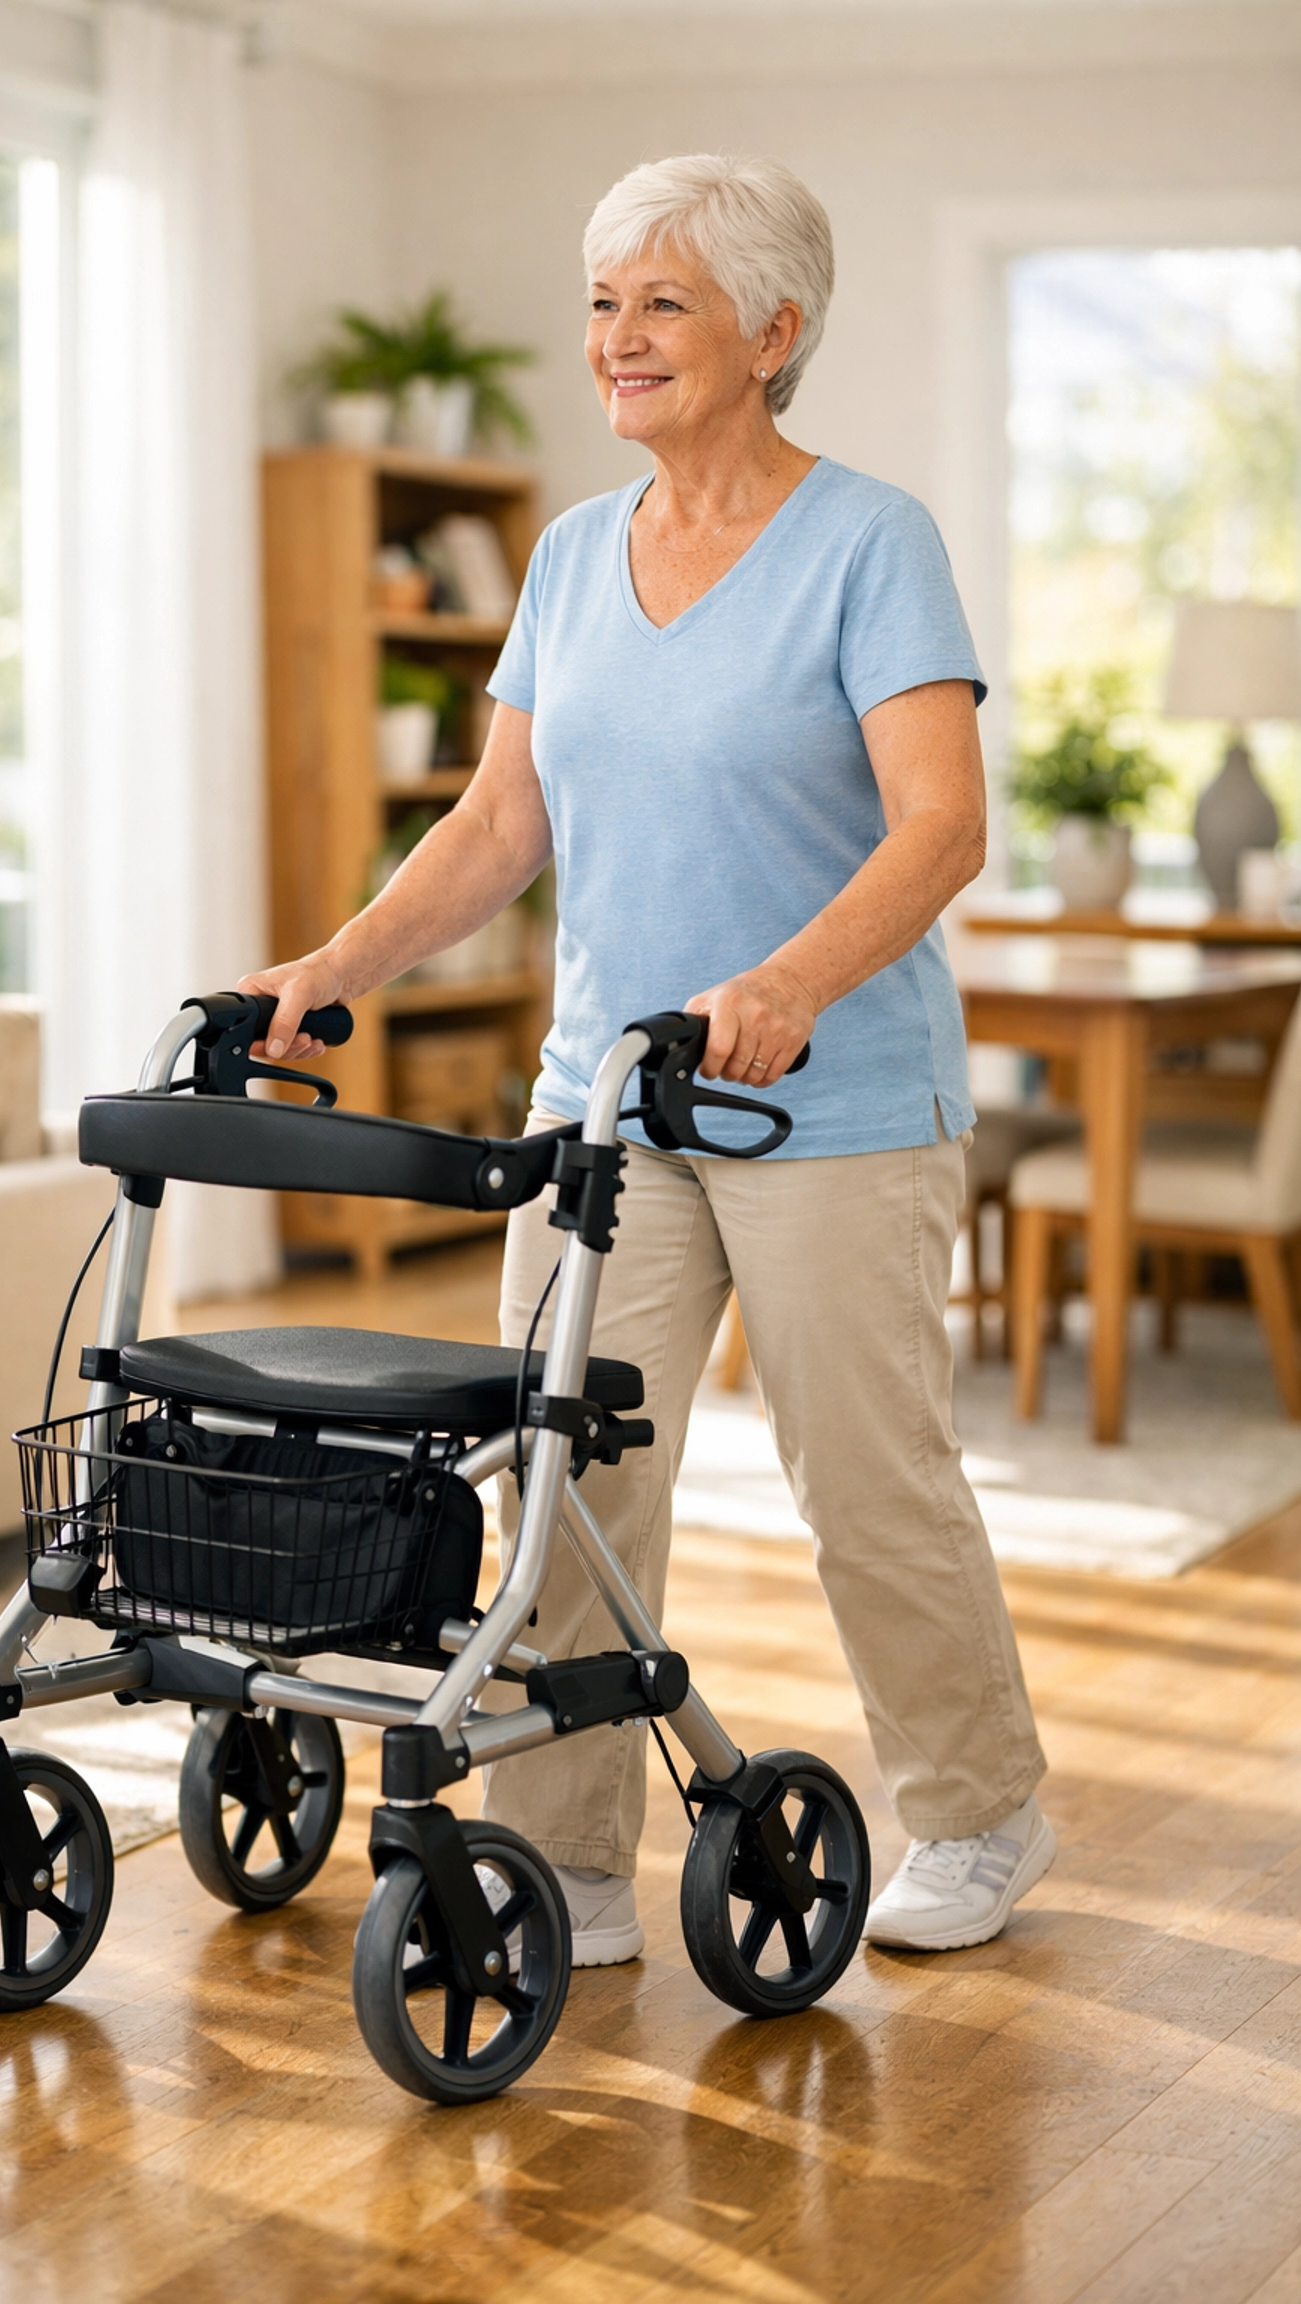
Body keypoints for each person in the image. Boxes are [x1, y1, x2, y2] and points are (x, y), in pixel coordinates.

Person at [242, 152, 1053, 1965]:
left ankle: (980, 1813)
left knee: (867, 1479)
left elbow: (940, 826)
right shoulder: (567, 555)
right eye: (605, 301)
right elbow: (495, 824)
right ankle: (570, 1856)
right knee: (566, 1474)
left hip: (833, 1101)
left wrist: (792, 981)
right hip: (608, 1102)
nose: (617, 336)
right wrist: (332, 969)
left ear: (771, 333)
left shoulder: (870, 541)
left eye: (663, 302)